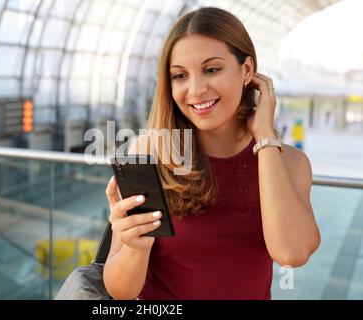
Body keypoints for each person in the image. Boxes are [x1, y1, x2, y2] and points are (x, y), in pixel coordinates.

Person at [103, 7, 321, 300]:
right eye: (180, 75)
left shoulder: (289, 163)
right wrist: (135, 246)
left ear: (246, 71)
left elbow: (291, 254)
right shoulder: (151, 152)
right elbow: (121, 291)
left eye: (211, 69)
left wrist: (265, 138)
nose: (196, 90)